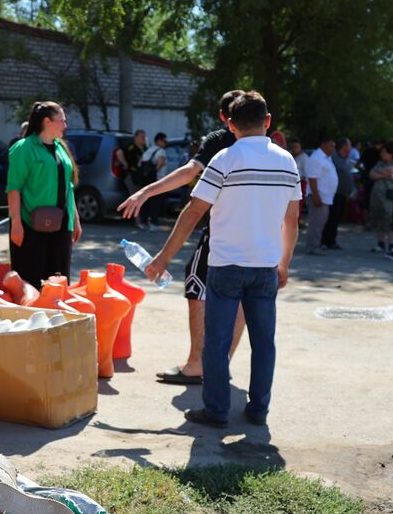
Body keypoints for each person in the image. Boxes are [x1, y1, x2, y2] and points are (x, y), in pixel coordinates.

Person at [160, 92, 300, 427]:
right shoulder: (287, 161)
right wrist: (284, 262)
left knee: (216, 344)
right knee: (264, 343)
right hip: (265, 267)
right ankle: (258, 410)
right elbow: (292, 219)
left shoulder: (223, 158)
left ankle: (217, 411)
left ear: (231, 124)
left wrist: (163, 257)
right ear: (267, 121)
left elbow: (193, 211)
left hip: (225, 266)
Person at [119, 90, 248, 386]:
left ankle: (196, 364)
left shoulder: (220, 142)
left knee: (196, 281)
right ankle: (220, 363)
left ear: (223, 118)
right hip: (259, 236)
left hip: (222, 231)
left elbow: (190, 182)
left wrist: (146, 191)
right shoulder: (271, 148)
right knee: (242, 294)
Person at [6, 101, 81, 286]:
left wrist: (76, 219)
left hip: (62, 225)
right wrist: (16, 223)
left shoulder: (60, 148)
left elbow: (68, 187)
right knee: (30, 280)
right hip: (30, 225)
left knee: (58, 281)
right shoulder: (23, 148)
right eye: (62, 120)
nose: (65, 125)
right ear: (47, 121)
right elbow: (14, 187)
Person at [303, 137, 338, 255]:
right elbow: (312, 178)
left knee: (320, 223)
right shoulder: (317, 158)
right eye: (331, 146)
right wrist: (316, 196)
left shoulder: (326, 158)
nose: (333, 148)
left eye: (334, 146)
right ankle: (312, 247)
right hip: (318, 197)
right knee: (316, 223)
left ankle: (315, 245)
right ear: (323, 145)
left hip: (325, 197)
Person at [136, 133, 170, 231]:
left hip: (145, 180)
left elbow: (139, 164)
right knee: (156, 202)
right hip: (157, 181)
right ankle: (154, 224)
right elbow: (161, 163)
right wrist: (154, 172)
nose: (165, 143)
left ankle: (143, 222)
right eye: (164, 141)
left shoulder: (148, 151)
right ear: (159, 141)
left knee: (145, 201)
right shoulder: (161, 151)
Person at [324, 138, 353, 249]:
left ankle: (332, 240)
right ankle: (326, 241)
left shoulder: (346, 159)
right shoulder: (334, 158)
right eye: (349, 145)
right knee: (331, 217)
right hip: (334, 193)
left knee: (337, 218)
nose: (350, 148)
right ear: (344, 146)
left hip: (343, 193)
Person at [368, 142, 393, 253]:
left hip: (389, 195)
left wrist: (381, 173)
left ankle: (392, 243)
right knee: (378, 218)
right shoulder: (380, 163)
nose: (382, 154)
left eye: (384, 152)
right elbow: (371, 174)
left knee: (390, 219)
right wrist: (385, 173)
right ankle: (380, 243)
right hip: (377, 196)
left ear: (391, 153)